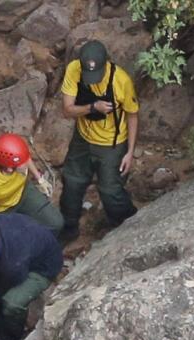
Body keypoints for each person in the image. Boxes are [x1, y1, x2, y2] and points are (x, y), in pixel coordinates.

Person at [58, 40, 138, 241]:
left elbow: (132, 115)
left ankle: (128, 225)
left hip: (112, 143)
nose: (92, 80)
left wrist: (129, 152)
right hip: (83, 138)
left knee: (110, 190)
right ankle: (68, 227)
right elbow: (67, 110)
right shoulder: (74, 70)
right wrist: (93, 107)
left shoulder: (121, 81)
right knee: (72, 182)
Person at [0, 134, 62, 232]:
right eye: (22, 162)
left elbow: (25, 157)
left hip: (22, 192)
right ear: (9, 169)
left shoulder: (17, 161)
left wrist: (40, 179)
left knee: (55, 223)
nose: (26, 163)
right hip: (1, 210)